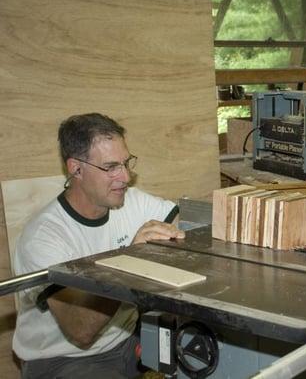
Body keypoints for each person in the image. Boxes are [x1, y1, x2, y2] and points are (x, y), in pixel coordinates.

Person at [12, 113, 185, 379]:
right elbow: (81, 330)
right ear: (76, 169)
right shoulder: (44, 237)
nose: (125, 177)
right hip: (66, 359)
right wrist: (131, 260)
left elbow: (179, 223)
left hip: (126, 338)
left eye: (126, 163)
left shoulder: (130, 201)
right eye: (111, 167)